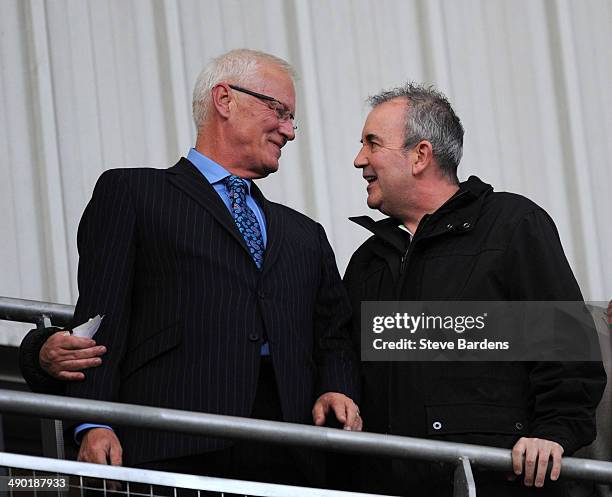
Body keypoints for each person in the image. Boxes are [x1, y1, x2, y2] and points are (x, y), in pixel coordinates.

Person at [19, 49, 360, 486]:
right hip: (173, 449)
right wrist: (92, 422)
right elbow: (103, 319)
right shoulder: (133, 193)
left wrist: (337, 386)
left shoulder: (305, 234)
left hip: (288, 458)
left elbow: (333, 335)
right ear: (225, 99)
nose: (290, 131)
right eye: (279, 111)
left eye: (293, 118)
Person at [344, 82, 606, 496]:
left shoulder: (512, 224)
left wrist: (554, 433)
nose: (360, 160)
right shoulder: (368, 262)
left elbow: (566, 347)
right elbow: (344, 363)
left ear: (420, 155)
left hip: (501, 484)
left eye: (372, 144)